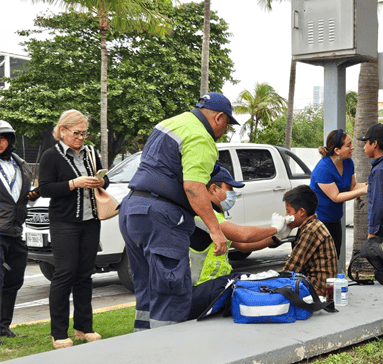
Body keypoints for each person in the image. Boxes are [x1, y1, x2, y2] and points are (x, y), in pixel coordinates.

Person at [119, 92, 239, 331]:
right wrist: (216, 231)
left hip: (133, 209)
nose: (225, 130)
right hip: (162, 217)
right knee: (172, 292)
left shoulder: (170, 123)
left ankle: (141, 343)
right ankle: (169, 357)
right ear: (218, 117)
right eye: (227, 124)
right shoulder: (201, 137)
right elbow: (194, 187)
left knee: (148, 289)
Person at [37, 110, 108, 349]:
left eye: (84, 133)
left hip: (91, 221)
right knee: (64, 274)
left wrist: (100, 181)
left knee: (84, 275)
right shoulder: (51, 156)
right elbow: (45, 189)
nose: (80, 137)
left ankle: (83, 327)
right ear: (63, 131)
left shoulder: (90, 152)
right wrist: (74, 183)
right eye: (76, 133)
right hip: (64, 222)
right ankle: (58, 333)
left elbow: (104, 180)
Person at [187, 165, 294, 320]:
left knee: (245, 285)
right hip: (197, 290)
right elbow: (243, 235)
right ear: (213, 189)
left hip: (210, 288)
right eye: (229, 188)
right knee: (246, 283)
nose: (233, 194)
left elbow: (242, 246)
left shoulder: (216, 214)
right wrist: (273, 229)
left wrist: (277, 237)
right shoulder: (204, 215)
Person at [0, 120, 40, 343]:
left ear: (11, 141)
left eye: (3, 139)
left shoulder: (21, 165)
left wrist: (32, 196)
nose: (0, 143)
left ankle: (4, 326)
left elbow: (19, 196)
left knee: (14, 279)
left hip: (15, 231)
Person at [310, 129, 367, 257]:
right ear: (337, 150)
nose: (352, 147)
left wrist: (371, 185)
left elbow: (352, 186)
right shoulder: (323, 169)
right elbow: (335, 197)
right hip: (319, 222)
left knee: (335, 255)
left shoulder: (348, 162)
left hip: (335, 219)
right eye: (348, 145)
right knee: (323, 259)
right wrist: (363, 190)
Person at [282, 185, 338, 296]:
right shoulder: (313, 225)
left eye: (288, 211)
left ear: (301, 212)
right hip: (319, 284)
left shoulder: (311, 230)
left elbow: (292, 267)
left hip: (318, 288)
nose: (286, 215)